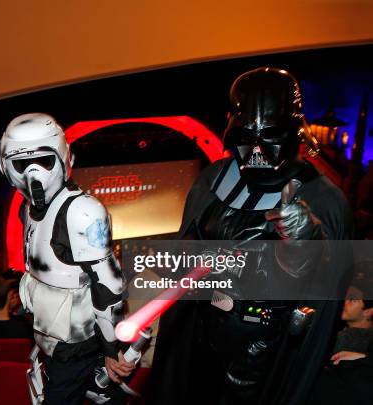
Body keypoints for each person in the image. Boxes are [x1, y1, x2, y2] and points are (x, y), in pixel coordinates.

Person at [150, 67, 354, 405]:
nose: (257, 152)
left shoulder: (324, 199)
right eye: (245, 139)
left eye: (270, 136)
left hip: (268, 348)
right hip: (206, 330)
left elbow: (331, 286)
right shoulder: (214, 179)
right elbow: (186, 253)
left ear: (295, 130)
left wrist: (310, 245)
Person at [0, 113, 135, 404]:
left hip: (76, 347)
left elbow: (108, 287)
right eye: (21, 164)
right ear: (5, 165)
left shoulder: (81, 213)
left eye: (43, 161)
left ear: (63, 158)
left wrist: (112, 349)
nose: (33, 173)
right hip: (53, 340)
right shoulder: (28, 209)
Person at [308, 265, 373, 404]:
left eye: (353, 299)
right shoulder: (335, 330)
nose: (345, 302)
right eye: (346, 297)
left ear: (368, 311)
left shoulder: (358, 344)